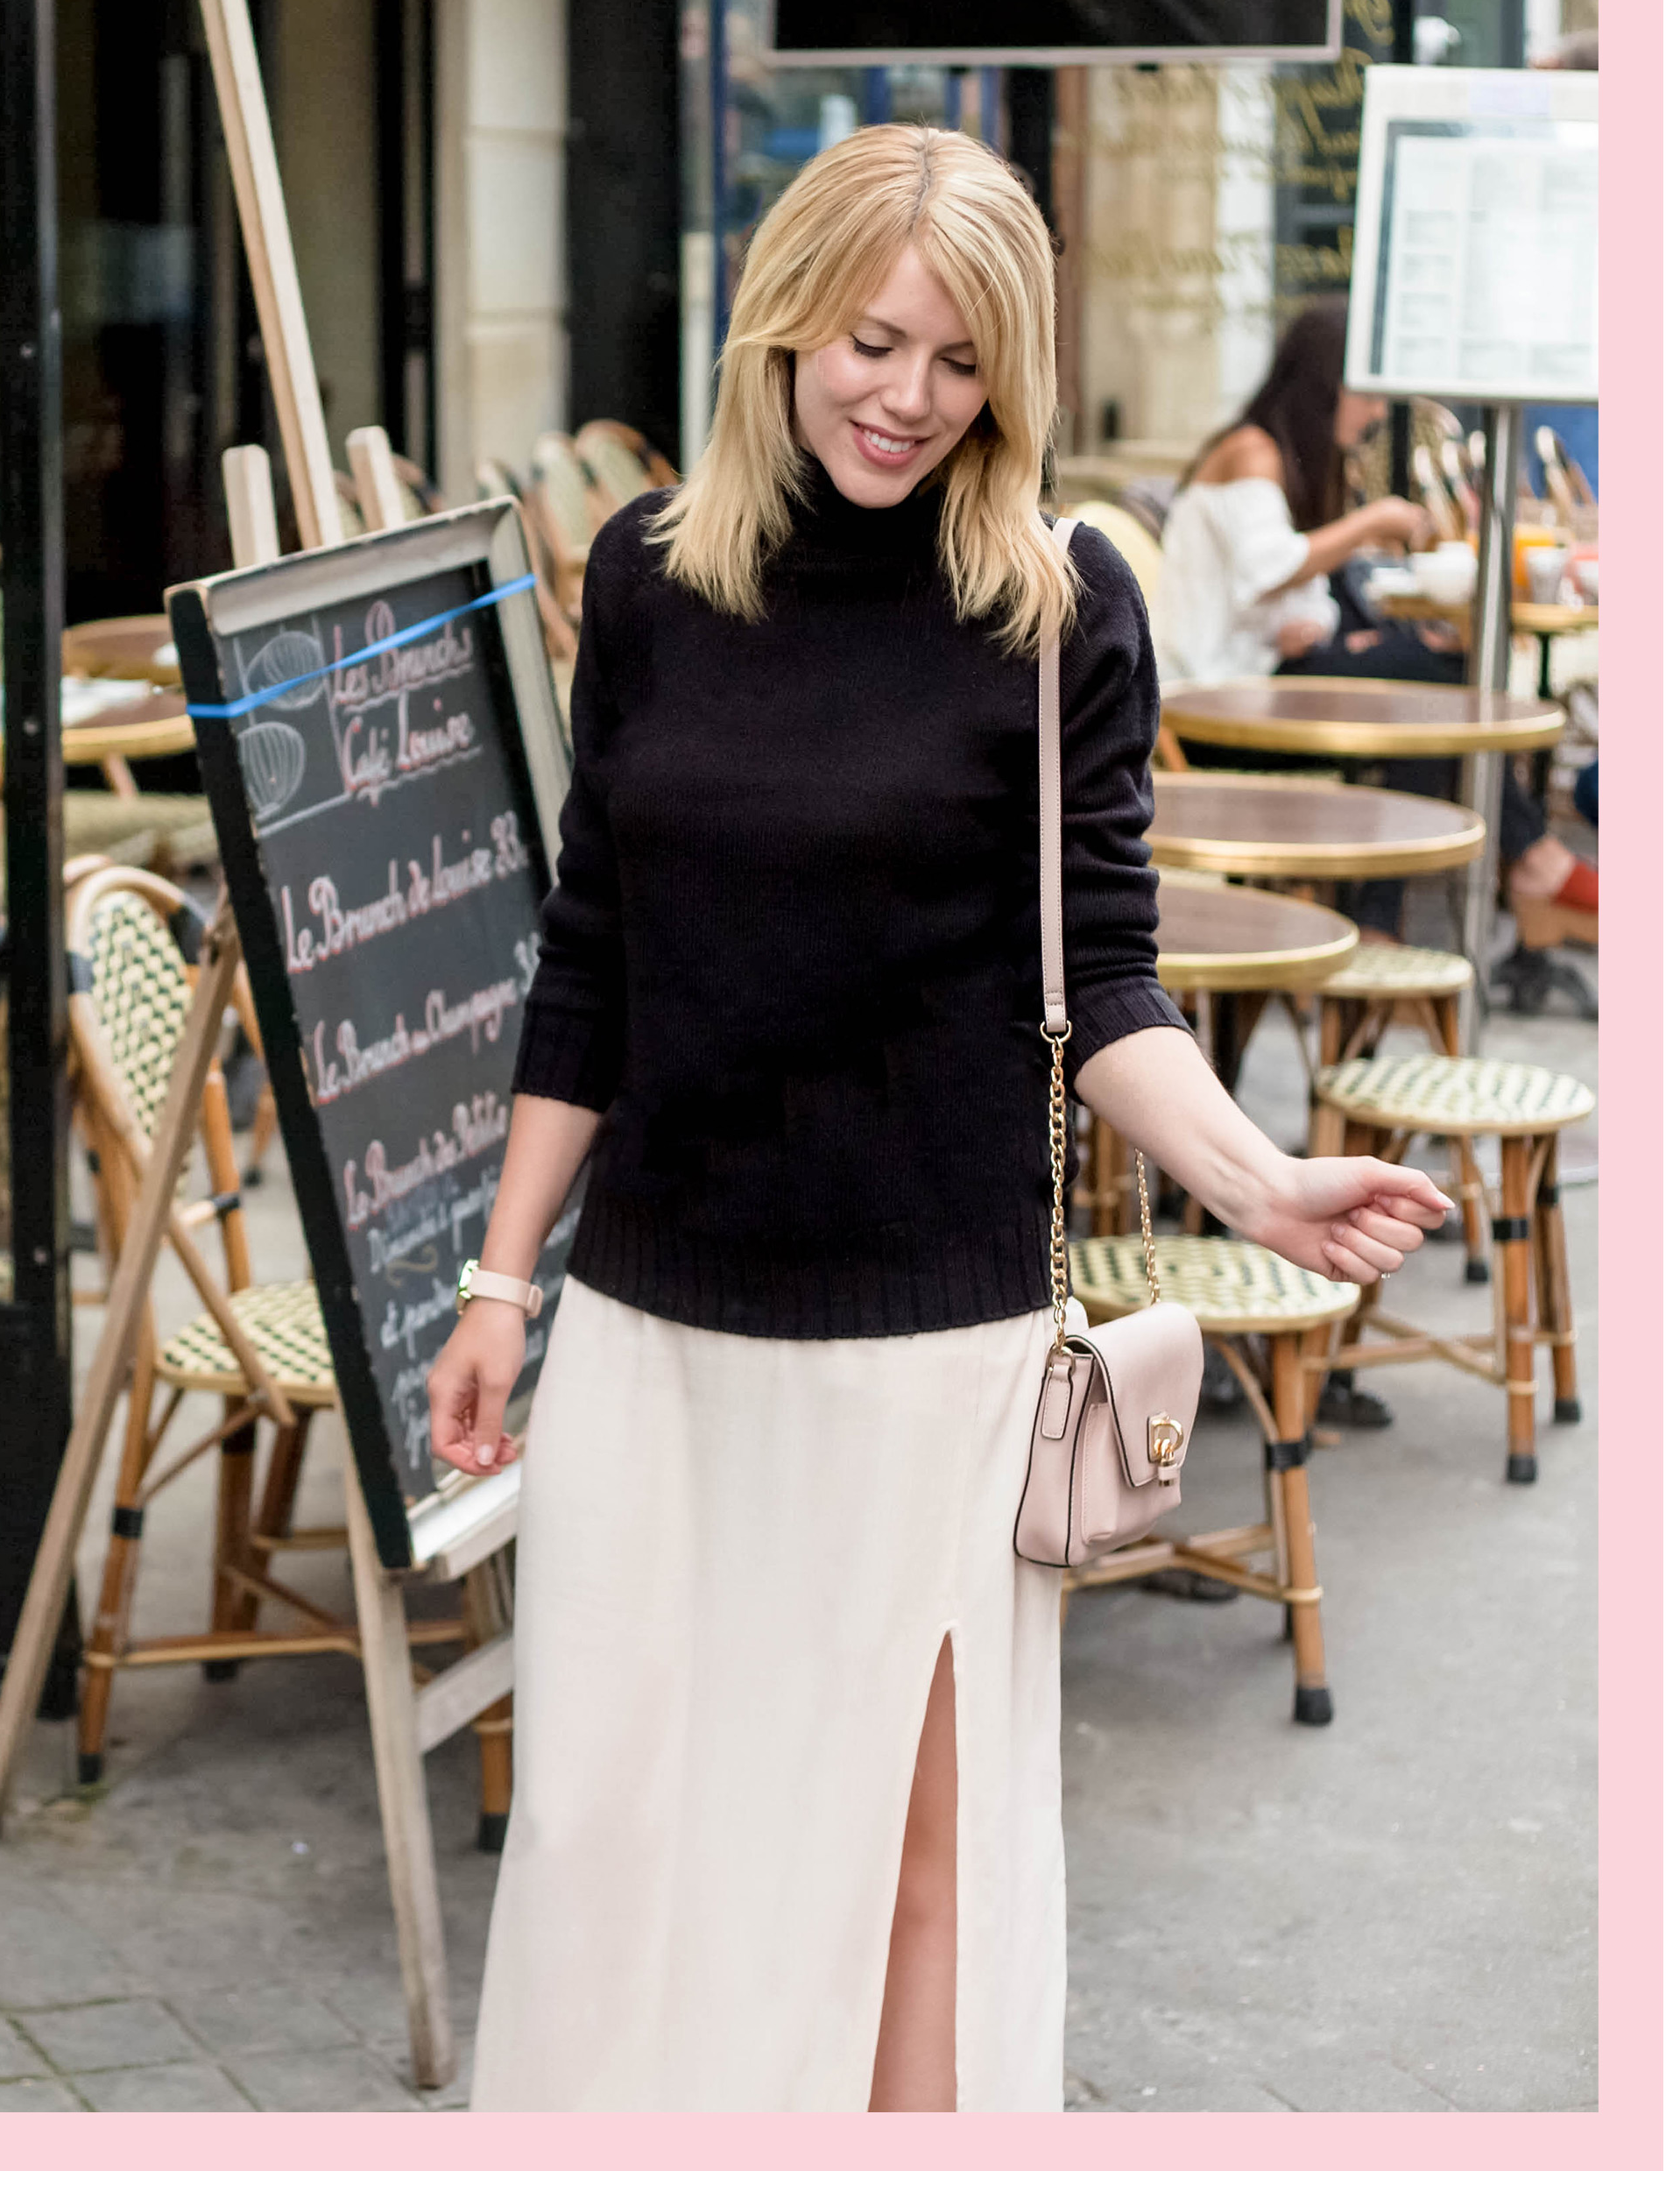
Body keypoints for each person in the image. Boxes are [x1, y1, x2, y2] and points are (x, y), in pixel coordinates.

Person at [438, 127, 1447, 2114]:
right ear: (786, 318)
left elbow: (1110, 984)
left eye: (963, 359)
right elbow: (591, 956)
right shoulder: (646, 572)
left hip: (928, 1340)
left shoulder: (1057, 599)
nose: (907, 395)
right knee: (615, 1834)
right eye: (873, 340)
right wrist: (497, 1279)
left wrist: (1257, 1180)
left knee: (914, 1867)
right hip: (657, 1324)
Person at [1161, 301, 1581, 935]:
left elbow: (1270, 593)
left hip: (1257, 686)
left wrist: (1331, 626)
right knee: (1436, 676)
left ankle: (1402, 914)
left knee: (1428, 686)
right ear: (1329, 384)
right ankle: (1528, 862)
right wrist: (1371, 522)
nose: (1380, 412)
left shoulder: (1284, 457)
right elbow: (1267, 569)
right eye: (1370, 394)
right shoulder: (1252, 452)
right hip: (1212, 709)